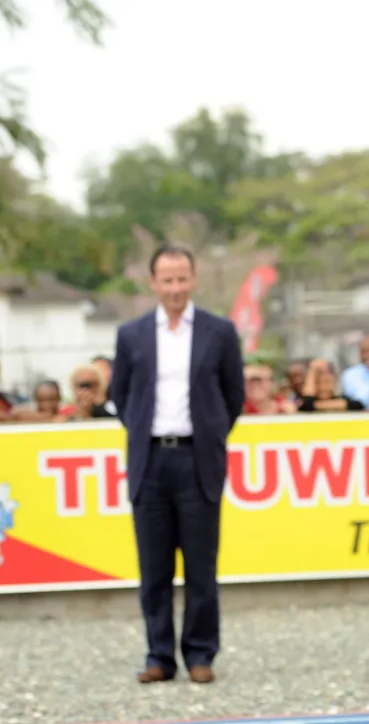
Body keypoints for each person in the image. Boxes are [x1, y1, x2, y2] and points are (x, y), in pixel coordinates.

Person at [111, 244, 245, 686]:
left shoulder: (218, 332)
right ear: (153, 282)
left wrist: (210, 432)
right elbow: (122, 395)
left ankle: (201, 654)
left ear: (193, 278)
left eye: (182, 278)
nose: (175, 288)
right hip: (150, 461)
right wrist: (142, 432)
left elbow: (233, 395)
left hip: (197, 459)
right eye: (167, 280)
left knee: (201, 567)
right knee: (154, 568)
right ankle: (159, 656)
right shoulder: (131, 335)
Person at [297, 359, 364, 413]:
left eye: (327, 382)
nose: (323, 387)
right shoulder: (308, 401)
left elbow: (359, 405)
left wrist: (318, 406)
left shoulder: (342, 398)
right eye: (318, 383)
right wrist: (312, 370)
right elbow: (306, 405)